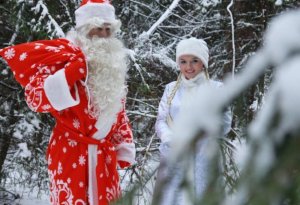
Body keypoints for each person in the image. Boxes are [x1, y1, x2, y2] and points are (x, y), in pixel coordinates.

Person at [0, 0, 136, 204]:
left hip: (103, 156)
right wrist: (68, 74)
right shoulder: (64, 58)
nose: (103, 35)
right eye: (97, 28)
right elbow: (36, 100)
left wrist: (123, 143)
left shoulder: (113, 66)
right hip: (70, 152)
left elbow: (119, 110)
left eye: (108, 29)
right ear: (84, 29)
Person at [154, 37, 232, 205]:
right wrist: (168, 137)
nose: (188, 67)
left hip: (204, 155)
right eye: (183, 61)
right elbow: (161, 120)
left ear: (203, 62)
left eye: (194, 61)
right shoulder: (170, 89)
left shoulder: (216, 88)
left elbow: (225, 123)